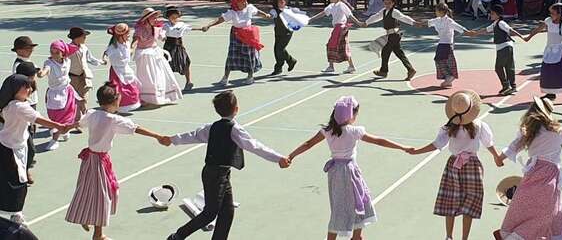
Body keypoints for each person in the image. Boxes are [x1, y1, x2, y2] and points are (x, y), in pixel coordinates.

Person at [164, 90, 291, 240]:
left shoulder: (212, 127)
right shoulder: (234, 129)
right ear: (236, 109)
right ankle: (177, 236)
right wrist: (278, 158)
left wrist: (172, 139)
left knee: (227, 211)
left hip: (215, 173)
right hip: (217, 175)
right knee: (210, 213)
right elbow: (255, 146)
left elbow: (193, 135)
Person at [288, 96, 410, 240]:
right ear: (352, 115)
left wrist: (291, 156)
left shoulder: (327, 131)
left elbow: (308, 144)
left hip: (335, 172)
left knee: (339, 205)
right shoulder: (354, 131)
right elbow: (379, 141)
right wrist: (403, 147)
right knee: (359, 199)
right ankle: (356, 236)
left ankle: (350, 236)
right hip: (350, 171)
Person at [64, 82, 166, 240]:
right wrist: (158, 136)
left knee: (89, 190)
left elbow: (80, 123)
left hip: (90, 159)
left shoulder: (93, 113)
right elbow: (136, 128)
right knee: (103, 196)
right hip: (98, 161)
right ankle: (98, 234)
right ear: (114, 101)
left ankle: (86, 218)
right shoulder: (112, 119)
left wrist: (67, 127)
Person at [407, 90, 501, 240]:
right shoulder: (479, 125)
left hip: (454, 165)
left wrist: (417, 151)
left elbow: (436, 144)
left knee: (450, 199)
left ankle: (449, 236)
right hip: (473, 166)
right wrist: (497, 157)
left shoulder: (449, 127)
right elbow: (488, 143)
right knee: (470, 202)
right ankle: (464, 238)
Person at [493, 97, 562, 240]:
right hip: (549, 176)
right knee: (547, 212)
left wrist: (499, 158)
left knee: (535, 208)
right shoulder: (559, 132)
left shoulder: (529, 132)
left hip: (533, 173)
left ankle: (558, 236)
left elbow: (513, 147)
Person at [0, 75, 72, 225]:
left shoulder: (11, 104)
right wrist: (59, 126)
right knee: (19, 183)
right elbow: (37, 119)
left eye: (30, 86)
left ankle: (16, 212)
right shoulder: (19, 106)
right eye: (25, 87)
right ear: (14, 90)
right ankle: (16, 213)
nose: (29, 89)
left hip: (11, 146)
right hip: (12, 149)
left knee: (13, 180)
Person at [201, 0, 271, 85]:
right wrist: (208, 25)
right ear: (236, 3)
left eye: (245, 1)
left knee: (250, 55)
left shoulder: (249, 8)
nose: (245, 3)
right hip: (236, 35)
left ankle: (250, 77)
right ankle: (225, 78)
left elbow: (258, 12)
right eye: (242, 1)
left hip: (249, 35)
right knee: (231, 56)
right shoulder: (232, 13)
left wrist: (265, 15)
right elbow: (220, 19)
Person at [465, 5, 529, 95]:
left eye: (492, 13)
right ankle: (512, 86)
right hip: (505, 47)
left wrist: (522, 37)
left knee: (499, 67)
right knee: (508, 67)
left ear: (498, 15)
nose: (490, 15)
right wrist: (475, 33)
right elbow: (486, 30)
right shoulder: (495, 23)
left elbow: (511, 30)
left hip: (504, 47)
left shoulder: (501, 23)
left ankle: (506, 86)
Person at [364, 0, 418, 80]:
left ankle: (384, 71)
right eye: (385, 3)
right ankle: (410, 69)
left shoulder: (395, 12)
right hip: (391, 35)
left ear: (393, 3)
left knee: (385, 51)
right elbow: (376, 17)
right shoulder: (384, 11)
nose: (387, 5)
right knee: (399, 53)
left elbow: (404, 17)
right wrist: (366, 22)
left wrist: (414, 22)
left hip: (394, 35)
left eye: (389, 3)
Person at [309, 0, 363, 74]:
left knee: (332, 45)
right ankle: (350, 66)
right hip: (337, 28)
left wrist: (359, 23)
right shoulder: (331, 6)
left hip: (340, 28)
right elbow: (323, 13)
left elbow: (350, 15)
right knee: (342, 46)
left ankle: (332, 66)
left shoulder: (341, 5)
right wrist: (311, 19)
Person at [40, 40, 82, 150]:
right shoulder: (49, 63)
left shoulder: (67, 61)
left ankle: (54, 140)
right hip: (54, 94)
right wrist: (41, 73)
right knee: (55, 116)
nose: (53, 54)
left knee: (62, 117)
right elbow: (45, 70)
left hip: (67, 92)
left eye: (56, 52)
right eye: (51, 52)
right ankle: (64, 130)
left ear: (63, 53)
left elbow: (73, 48)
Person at [417, 3, 467, 88]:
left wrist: (470, 32)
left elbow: (460, 28)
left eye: (436, 10)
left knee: (447, 61)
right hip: (441, 43)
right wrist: (416, 23)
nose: (435, 12)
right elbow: (427, 23)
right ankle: (448, 77)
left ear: (441, 11)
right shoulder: (437, 20)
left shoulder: (449, 21)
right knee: (438, 60)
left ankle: (450, 76)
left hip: (448, 43)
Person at [67, 27, 106, 126]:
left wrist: (100, 62)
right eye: (83, 36)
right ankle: (77, 121)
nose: (85, 38)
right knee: (75, 100)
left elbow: (90, 58)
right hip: (72, 77)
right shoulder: (68, 49)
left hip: (84, 76)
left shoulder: (84, 47)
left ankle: (83, 119)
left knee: (84, 99)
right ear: (77, 37)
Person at [104, 24, 141, 112]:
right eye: (127, 33)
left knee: (131, 87)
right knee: (118, 89)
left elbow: (129, 52)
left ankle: (128, 104)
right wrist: (104, 58)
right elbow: (106, 53)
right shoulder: (113, 47)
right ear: (120, 35)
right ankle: (118, 106)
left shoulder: (126, 44)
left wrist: (134, 44)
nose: (129, 35)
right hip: (117, 71)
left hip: (125, 69)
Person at [163, 7, 196, 91]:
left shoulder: (181, 24)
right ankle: (167, 84)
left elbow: (190, 28)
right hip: (169, 47)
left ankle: (188, 82)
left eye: (176, 17)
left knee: (186, 62)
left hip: (179, 46)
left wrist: (202, 28)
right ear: (168, 17)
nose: (175, 19)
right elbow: (161, 33)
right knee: (167, 65)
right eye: (172, 17)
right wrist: (162, 36)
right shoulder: (166, 25)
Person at [268, 0, 301, 76]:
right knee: (277, 50)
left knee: (280, 48)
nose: (282, 1)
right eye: (279, 0)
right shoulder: (274, 11)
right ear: (276, 2)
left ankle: (286, 63)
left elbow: (298, 14)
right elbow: (271, 15)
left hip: (287, 32)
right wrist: (267, 16)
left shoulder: (289, 10)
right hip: (278, 32)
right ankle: (286, 63)